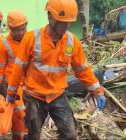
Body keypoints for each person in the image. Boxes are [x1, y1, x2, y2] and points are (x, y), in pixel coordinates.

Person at [7, 0, 106, 139]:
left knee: (71, 135)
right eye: (61, 21)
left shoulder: (72, 41)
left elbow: (82, 70)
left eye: (69, 22)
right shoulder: (31, 39)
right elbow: (18, 68)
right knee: (33, 135)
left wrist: (97, 91)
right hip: (34, 96)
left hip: (57, 95)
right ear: (50, 16)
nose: (65, 26)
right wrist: (11, 93)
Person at [0, 10, 28, 140]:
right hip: (12, 83)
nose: (19, 33)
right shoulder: (3, 44)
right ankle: (18, 136)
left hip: (29, 82)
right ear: (10, 29)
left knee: (31, 111)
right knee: (18, 111)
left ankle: (28, 133)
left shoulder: (29, 39)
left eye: (22, 29)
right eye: (16, 30)